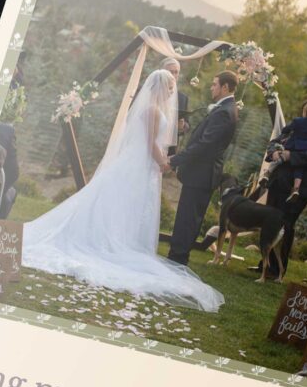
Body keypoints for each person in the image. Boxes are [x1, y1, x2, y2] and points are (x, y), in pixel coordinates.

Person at [20, 67, 222, 309]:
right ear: (159, 88)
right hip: (139, 165)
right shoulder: (152, 111)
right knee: (123, 203)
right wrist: (165, 164)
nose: (172, 92)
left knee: (129, 207)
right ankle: (113, 241)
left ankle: (123, 239)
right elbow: (150, 145)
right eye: (169, 88)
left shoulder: (154, 110)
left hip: (144, 167)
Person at [164, 72, 245, 269]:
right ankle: (177, 257)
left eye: (214, 84)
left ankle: (178, 259)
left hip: (202, 173)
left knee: (188, 218)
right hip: (201, 173)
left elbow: (204, 145)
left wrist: (175, 159)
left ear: (225, 87)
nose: (211, 87)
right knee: (188, 216)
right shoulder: (225, 108)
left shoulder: (225, 112)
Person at [260, 99, 307, 280]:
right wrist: (275, 153)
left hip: (299, 187)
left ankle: (277, 269)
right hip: (278, 181)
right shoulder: (296, 126)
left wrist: (291, 155)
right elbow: (276, 140)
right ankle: (264, 265)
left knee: (286, 224)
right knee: (270, 220)